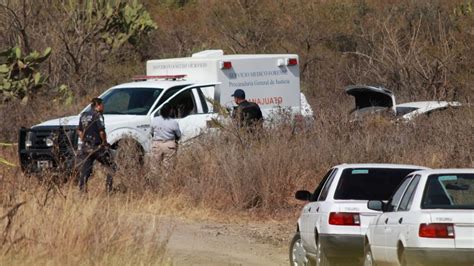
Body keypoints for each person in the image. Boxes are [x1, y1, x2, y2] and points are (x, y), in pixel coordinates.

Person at [77, 97, 115, 193]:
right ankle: (108, 189)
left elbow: (79, 130)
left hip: (85, 147)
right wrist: (104, 142)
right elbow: (101, 131)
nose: (103, 107)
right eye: (102, 105)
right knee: (111, 166)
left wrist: (83, 138)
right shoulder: (97, 115)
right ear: (97, 105)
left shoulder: (83, 115)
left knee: (85, 170)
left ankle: (82, 191)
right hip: (97, 146)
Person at [150, 103, 182, 170]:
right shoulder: (173, 122)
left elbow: (151, 133)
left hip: (157, 145)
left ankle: (155, 180)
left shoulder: (154, 120)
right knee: (168, 168)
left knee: (154, 167)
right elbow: (178, 135)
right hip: (169, 145)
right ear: (170, 111)